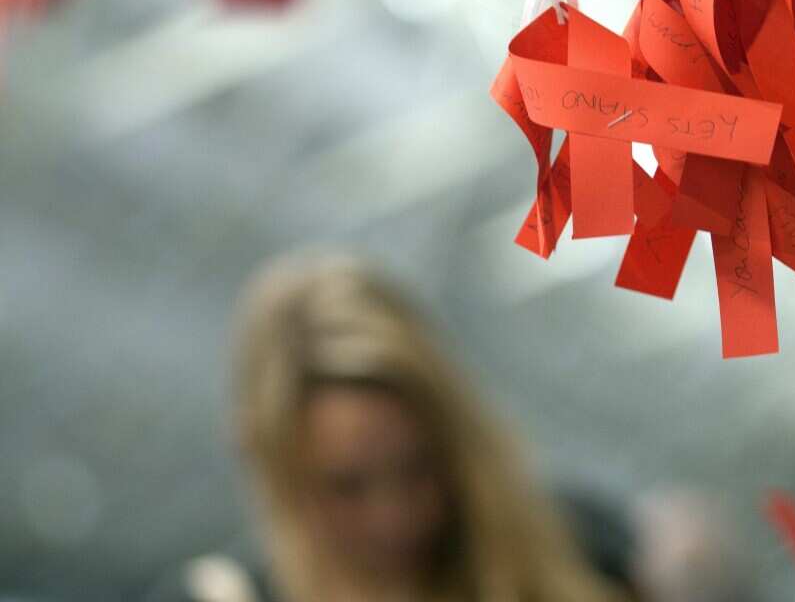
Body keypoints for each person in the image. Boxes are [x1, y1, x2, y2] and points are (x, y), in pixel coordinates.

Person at [156, 252, 623, 602]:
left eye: (420, 467)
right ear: (276, 468)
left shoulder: (582, 548)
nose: (395, 518)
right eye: (346, 487)